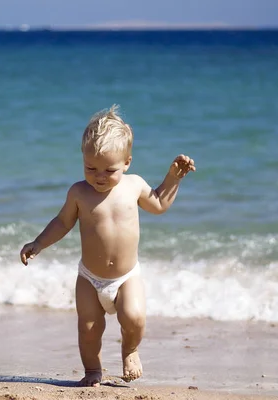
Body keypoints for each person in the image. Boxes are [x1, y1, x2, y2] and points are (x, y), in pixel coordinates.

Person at [19, 105, 195, 387]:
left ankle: (131, 350)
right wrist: (38, 243)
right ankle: (92, 371)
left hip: (126, 277)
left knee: (134, 317)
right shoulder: (79, 193)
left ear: (127, 162)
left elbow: (160, 203)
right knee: (89, 328)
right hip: (89, 278)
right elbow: (63, 222)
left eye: (109, 170)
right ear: (83, 161)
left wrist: (173, 178)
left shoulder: (134, 185)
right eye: (91, 168)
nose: (99, 176)